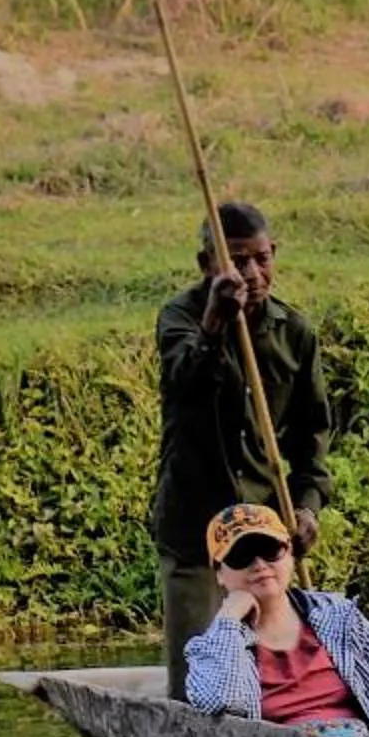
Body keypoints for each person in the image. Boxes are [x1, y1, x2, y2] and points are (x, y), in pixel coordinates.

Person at [152, 201, 333, 700]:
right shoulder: (181, 318)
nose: (252, 274)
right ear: (207, 265)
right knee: (197, 681)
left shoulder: (294, 333)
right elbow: (184, 381)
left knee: (281, 673)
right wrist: (214, 323)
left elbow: (312, 439)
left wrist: (306, 507)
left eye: (261, 259)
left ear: (274, 254)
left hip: (263, 529)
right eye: (237, 261)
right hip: (195, 527)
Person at [182, 503, 369, 737]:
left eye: (271, 550)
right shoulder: (212, 647)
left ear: (290, 554)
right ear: (219, 572)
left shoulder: (337, 617)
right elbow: (220, 702)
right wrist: (229, 618)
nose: (260, 565)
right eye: (242, 557)